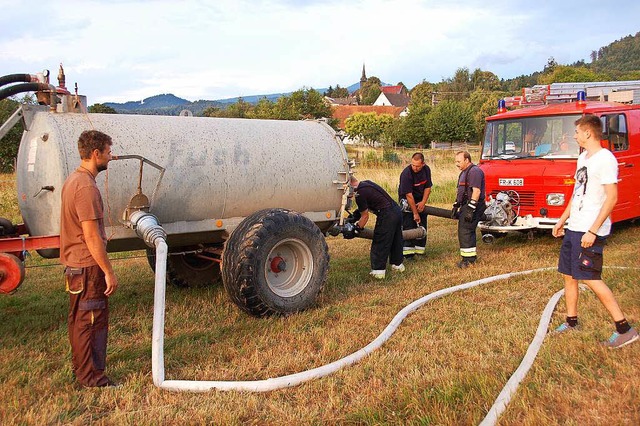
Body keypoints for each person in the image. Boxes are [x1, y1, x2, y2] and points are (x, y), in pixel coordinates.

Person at [551, 114, 638, 348]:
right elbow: (577, 192)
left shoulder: (605, 159)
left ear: (588, 133)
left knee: (590, 278)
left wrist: (593, 230)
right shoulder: (583, 159)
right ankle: (571, 322)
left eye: (577, 132)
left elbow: (612, 198)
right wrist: (562, 220)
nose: (574, 135)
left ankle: (625, 329)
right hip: (574, 227)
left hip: (589, 229)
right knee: (569, 276)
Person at [60, 130, 120, 387]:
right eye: (108, 152)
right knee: (91, 322)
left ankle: (82, 370)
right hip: (87, 266)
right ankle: (93, 378)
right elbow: (92, 237)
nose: (111, 156)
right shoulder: (86, 188)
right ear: (96, 154)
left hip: (76, 266)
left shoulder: (74, 180)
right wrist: (108, 270)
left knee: (79, 321)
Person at [350, 175, 404, 279]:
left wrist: (356, 229)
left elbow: (365, 217)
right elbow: (366, 206)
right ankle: (398, 265)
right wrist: (353, 217)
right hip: (396, 211)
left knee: (380, 241)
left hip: (387, 214)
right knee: (396, 240)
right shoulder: (366, 184)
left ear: (350, 185)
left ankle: (378, 272)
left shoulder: (359, 194)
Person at [453, 151, 486, 268]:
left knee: (466, 231)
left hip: (473, 205)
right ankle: (467, 258)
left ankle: (469, 260)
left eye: (459, 161)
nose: (456, 164)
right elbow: (462, 191)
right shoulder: (463, 173)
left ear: (467, 160)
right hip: (466, 205)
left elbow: (476, 191)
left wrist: (471, 209)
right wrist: (456, 205)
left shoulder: (474, 171)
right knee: (463, 231)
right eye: (455, 161)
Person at [398, 152, 433, 257]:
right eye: (413, 165)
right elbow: (408, 195)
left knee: (422, 226)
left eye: (417, 166)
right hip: (408, 201)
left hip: (420, 199)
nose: (415, 168)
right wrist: (415, 213)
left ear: (423, 164)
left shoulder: (426, 170)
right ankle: (408, 254)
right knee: (409, 226)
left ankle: (420, 251)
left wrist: (423, 203)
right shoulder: (406, 174)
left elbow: (428, 187)